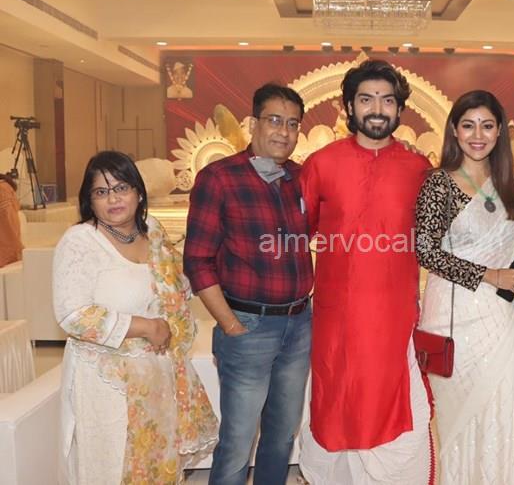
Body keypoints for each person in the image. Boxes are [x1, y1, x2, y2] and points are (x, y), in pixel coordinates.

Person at [298, 59, 433, 484]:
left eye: (387, 101)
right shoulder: (321, 164)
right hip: (336, 316)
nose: (377, 109)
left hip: (395, 316)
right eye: (366, 99)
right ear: (349, 107)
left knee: (394, 406)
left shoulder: (418, 169)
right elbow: (299, 235)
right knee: (335, 402)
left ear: (400, 109)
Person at [52, 151, 217, 484]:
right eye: (101, 192)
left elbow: (176, 285)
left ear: (139, 192)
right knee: (110, 467)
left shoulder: (152, 232)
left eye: (121, 188)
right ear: (89, 201)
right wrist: (146, 326)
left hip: (157, 375)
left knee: (155, 464)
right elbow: (72, 314)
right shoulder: (81, 241)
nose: (113, 198)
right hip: (106, 382)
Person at [184, 83, 313, 485]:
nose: (284, 132)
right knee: (238, 443)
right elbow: (197, 259)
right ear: (253, 123)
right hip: (247, 326)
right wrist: (229, 324)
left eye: (292, 124)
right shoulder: (219, 178)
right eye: (274, 120)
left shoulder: (301, 178)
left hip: (298, 325)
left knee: (282, 436)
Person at [415, 90, 514, 484]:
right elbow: (425, 252)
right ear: (454, 130)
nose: (478, 135)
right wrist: (488, 275)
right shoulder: (439, 183)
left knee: (504, 399)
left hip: (503, 314)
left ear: (500, 131)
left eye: (487, 125)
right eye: (468, 125)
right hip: (455, 315)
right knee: (459, 414)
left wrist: (512, 282)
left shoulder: (510, 184)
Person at [0, 172, 23, 267]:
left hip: (7, 257)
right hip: (13, 254)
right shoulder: (5, 187)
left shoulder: (3, 189)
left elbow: (8, 225)